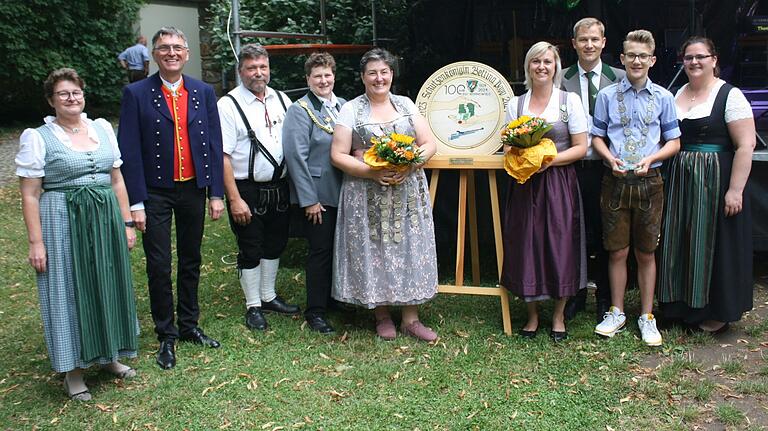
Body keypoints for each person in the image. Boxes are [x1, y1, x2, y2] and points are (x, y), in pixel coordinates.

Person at [17, 68, 139, 400]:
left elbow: (116, 180)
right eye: (63, 94)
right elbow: (30, 194)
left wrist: (127, 223)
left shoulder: (101, 129)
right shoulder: (38, 137)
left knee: (106, 281)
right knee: (67, 287)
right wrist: (36, 241)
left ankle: (110, 355)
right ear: (51, 100)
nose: (72, 98)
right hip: (61, 220)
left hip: (104, 218)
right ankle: (73, 370)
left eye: (76, 92)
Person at [118, 27, 224, 370]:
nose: (171, 52)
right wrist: (136, 202)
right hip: (155, 192)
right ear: (154, 54)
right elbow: (129, 151)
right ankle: (167, 333)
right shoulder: (135, 93)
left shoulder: (203, 91)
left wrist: (216, 193)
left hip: (193, 189)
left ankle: (190, 325)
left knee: (191, 259)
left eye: (177, 47)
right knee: (159, 264)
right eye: (164, 48)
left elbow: (213, 142)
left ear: (187, 53)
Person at [330, 48, 439, 341]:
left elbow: (429, 144)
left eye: (384, 72)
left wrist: (412, 162)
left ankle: (411, 318)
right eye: (372, 73)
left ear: (392, 74)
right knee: (374, 249)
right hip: (366, 192)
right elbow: (338, 154)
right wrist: (371, 171)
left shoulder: (405, 104)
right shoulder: (351, 109)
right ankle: (381, 314)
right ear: (363, 77)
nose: (379, 78)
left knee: (409, 247)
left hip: (407, 192)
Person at [657, 36, 755, 334]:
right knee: (681, 240)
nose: (694, 62)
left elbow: (746, 145)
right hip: (680, 180)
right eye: (688, 57)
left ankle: (717, 312)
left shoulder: (730, 95)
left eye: (701, 56)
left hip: (715, 180)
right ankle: (680, 306)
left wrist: (735, 190)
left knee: (713, 243)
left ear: (714, 59)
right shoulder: (676, 94)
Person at [591, 30, 681, 346]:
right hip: (614, 180)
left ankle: (646, 316)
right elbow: (597, 137)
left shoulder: (664, 98)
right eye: (631, 55)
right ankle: (616, 311)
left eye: (643, 56)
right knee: (617, 250)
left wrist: (653, 157)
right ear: (622, 58)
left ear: (652, 60)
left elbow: (674, 141)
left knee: (646, 251)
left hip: (650, 182)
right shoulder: (606, 96)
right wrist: (609, 158)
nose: (637, 61)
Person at [500, 42, 588, 343]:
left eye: (547, 62)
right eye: (535, 61)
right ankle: (533, 315)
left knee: (561, 245)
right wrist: (525, 160)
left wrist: (547, 161)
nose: (541, 67)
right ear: (528, 67)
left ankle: (559, 315)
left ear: (556, 66)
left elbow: (580, 147)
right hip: (526, 184)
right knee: (527, 244)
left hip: (559, 183)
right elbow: (508, 147)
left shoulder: (569, 101)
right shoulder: (517, 104)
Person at [217, 43, 300, 332]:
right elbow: (223, 156)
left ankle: (269, 296)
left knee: (275, 243)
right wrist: (235, 199)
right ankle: (253, 305)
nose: (258, 73)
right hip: (246, 188)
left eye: (262, 67)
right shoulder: (227, 105)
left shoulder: (281, 99)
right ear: (241, 71)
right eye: (251, 68)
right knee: (250, 248)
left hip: (279, 186)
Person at [561, 17, 625, 323]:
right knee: (575, 232)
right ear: (574, 44)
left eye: (594, 39)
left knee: (604, 233)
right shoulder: (560, 77)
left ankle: (604, 297)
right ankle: (575, 295)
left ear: (603, 43)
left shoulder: (622, 77)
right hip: (572, 167)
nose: (589, 45)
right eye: (583, 40)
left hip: (608, 168)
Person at [283, 52, 346, 334]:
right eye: (317, 76)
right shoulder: (300, 110)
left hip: (345, 190)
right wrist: (309, 200)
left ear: (334, 76)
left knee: (338, 248)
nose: (323, 80)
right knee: (320, 251)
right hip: (318, 195)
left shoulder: (343, 106)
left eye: (327, 74)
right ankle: (315, 311)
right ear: (308, 79)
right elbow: (296, 156)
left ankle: (333, 299)